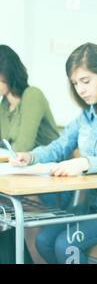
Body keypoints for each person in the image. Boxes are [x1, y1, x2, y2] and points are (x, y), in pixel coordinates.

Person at [9, 43, 97, 264]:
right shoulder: (87, 115)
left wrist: (85, 162)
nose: (80, 90)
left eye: (86, 81)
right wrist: (30, 156)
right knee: (44, 240)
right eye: (75, 83)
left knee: (66, 244)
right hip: (93, 207)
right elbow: (60, 145)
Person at [0, 44, 59, 264]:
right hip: (20, 170)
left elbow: (23, 144)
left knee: (18, 205)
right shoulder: (4, 104)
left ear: (8, 73)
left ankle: (32, 259)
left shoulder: (32, 95)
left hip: (49, 172)